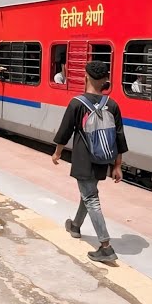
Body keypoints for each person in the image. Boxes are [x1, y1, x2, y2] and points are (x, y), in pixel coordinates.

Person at [51, 60, 129, 264]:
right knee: (88, 193)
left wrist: (57, 153)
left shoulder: (77, 103)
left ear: (86, 77)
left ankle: (106, 246)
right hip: (102, 158)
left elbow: (64, 131)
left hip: (83, 159)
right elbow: (119, 137)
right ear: (105, 80)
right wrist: (117, 166)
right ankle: (75, 226)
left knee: (91, 198)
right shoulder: (112, 104)